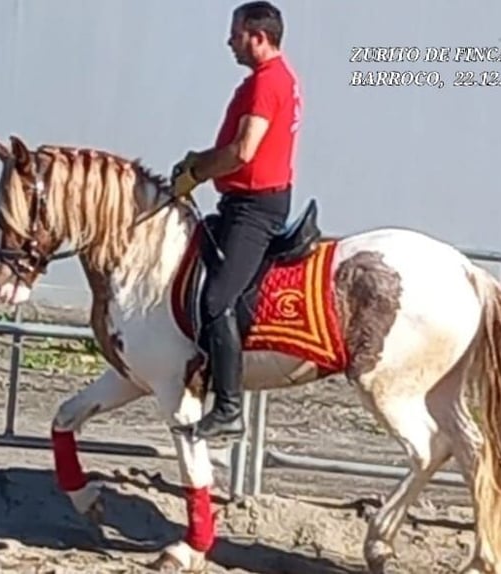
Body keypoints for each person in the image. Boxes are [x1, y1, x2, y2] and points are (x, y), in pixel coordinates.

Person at [170, 1, 302, 442]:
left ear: (258, 36)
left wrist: (197, 169)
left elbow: (243, 151)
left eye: (236, 33)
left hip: (254, 209)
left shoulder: (267, 83)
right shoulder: (271, 80)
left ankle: (227, 407)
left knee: (216, 301)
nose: (230, 41)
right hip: (243, 203)